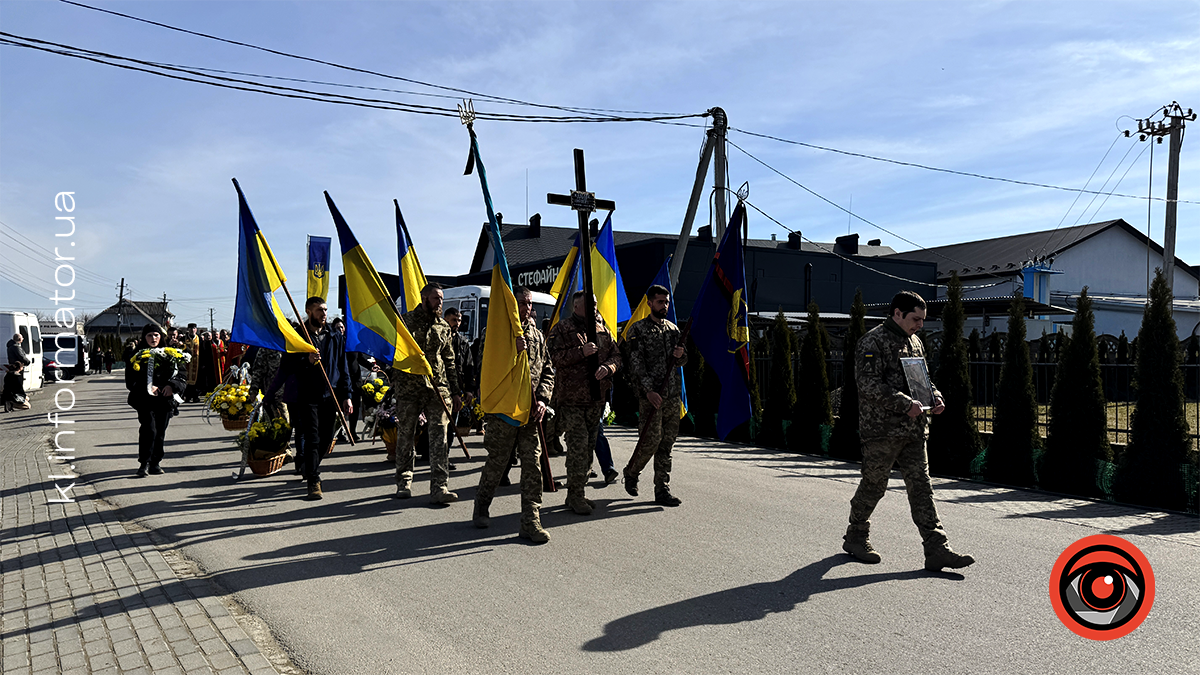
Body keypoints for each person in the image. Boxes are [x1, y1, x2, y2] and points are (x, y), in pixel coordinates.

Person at [844, 291, 975, 571]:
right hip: (882, 431)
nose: (920, 325)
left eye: (923, 320)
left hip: (914, 429)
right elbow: (867, 385)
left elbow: (921, 379)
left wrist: (934, 396)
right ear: (897, 313)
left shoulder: (914, 341)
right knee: (874, 485)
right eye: (916, 318)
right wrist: (905, 404)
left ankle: (937, 548)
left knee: (922, 488)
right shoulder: (872, 341)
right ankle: (856, 534)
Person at [472, 286, 555, 543]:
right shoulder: (496, 332)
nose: (527, 308)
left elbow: (549, 370)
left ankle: (530, 521)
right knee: (498, 463)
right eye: (522, 302)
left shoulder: (538, 335)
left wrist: (542, 398)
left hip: (530, 413)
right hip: (504, 411)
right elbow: (486, 366)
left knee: (532, 466)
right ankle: (482, 504)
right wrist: (511, 348)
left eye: (529, 304)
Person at [266, 297, 353, 501]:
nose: (323, 314)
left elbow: (343, 367)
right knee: (312, 438)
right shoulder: (298, 336)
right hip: (306, 395)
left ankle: (309, 465)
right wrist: (307, 360)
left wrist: (347, 396)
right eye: (319, 310)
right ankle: (314, 480)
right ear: (308, 312)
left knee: (325, 438)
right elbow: (287, 367)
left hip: (329, 394)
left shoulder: (334, 335)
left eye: (325, 310)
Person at [547, 291, 621, 515]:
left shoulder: (602, 328)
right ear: (576, 306)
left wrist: (608, 367)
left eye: (595, 305)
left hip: (595, 399)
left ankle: (576, 493)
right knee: (578, 447)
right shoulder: (563, 329)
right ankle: (576, 495)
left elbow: (616, 356)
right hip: (571, 400)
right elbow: (550, 357)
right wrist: (580, 352)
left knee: (588, 449)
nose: (594, 308)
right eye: (589, 305)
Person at [391, 283, 461, 503]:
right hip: (410, 387)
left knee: (439, 437)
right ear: (424, 299)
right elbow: (394, 352)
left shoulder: (443, 326)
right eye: (435, 298)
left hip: (437, 387)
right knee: (406, 434)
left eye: (441, 299)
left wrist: (456, 391)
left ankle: (439, 487)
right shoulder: (405, 322)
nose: (439, 303)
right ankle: (404, 480)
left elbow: (449, 360)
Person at [622, 285, 688, 506]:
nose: (664, 306)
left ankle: (662, 490)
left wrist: (681, 355)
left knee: (666, 445)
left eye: (667, 302)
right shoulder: (638, 330)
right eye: (660, 302)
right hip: (652, 396)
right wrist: (649, 391)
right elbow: (636, 365)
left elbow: (681, 360)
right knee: (650, 442)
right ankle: (632, 472)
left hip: (671, 397)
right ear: (649, 303)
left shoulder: (673, 330)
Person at [124, 325, 186, 477]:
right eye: (150, 335)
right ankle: (144, 463)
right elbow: (130, 381)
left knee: (160, 432)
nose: (153, 338)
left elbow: (182, 376)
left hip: (164, 401)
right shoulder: (137, 356)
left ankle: (155, 462)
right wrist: (147, 387)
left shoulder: (171, 355)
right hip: (145, 400)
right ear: (144, 338)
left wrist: (172, 386)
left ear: (161, 337)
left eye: (156, 335)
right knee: (149, 429)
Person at [4, 333, 31, 410]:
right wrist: (27, 362)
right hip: (17, 368)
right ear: (19, 339)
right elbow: (21, 357)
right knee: (18, 386)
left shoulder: (10, 347)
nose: (23, 339)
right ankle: (15, 402)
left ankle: (10, 403)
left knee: (12, 387)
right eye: (22, 338)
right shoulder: (16, 347)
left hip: (13, 368)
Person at [183, 323, 201, 402]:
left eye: (194, 328)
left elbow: (203, 350)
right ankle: (187, 396)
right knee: (187, 380)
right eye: (190, 329)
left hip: (197, 363)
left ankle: (195, 396)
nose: (192, 330)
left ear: (196, 330)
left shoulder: (199, 338)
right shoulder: (184, 339)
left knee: (196, 380)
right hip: (187, 362)